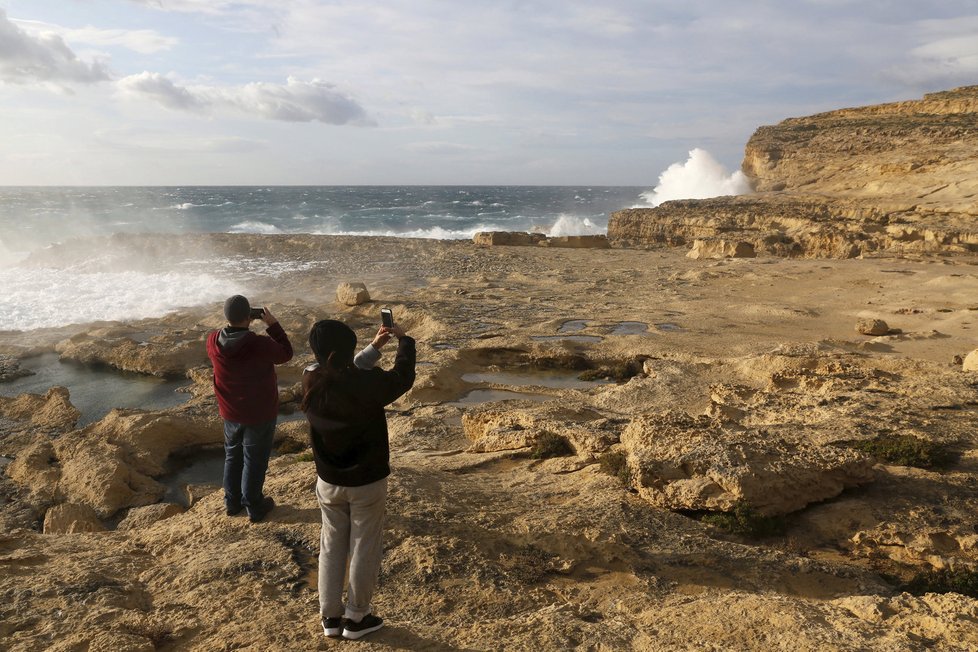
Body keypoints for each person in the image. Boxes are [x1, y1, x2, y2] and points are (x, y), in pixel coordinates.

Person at [301, 318, 415, 640]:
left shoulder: (310, 378)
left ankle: (331, 619)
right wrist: (404, 343)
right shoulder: (365, 383)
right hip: (366, 481)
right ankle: (357, 617)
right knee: (364, 545)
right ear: (346, 351)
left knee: (331, 545)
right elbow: (402, 378)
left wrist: (375, 347)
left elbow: (340, 368)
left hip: (329, 481)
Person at [206, 295, 293, 523]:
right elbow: (286, 353)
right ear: (249, 317)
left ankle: (232, 502)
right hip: (259, 413)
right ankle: (254, 505)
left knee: (233, 456)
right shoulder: (258, 344)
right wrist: (273, 325)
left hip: (230, 412)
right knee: (254, 459)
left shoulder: (213, 340)